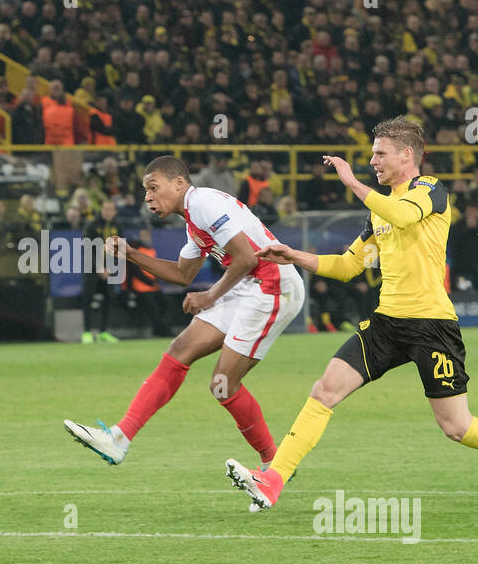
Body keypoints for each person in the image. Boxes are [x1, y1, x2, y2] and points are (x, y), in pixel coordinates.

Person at [227, 118, 478, 514]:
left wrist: (352, 184)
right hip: (387, 323)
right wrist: (294, 255)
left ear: (407, 154)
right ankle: (272, 481)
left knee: (456, 427)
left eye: (379, 153)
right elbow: (347, 265)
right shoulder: (379, 211)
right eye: (371, 155)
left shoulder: (430, 190)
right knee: (325, 390)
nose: (372, 161)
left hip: (432, 326)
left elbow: (405, 216)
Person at [63, 155, 306, 469]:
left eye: (154, 187)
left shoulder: (204, 203)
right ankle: (119, 438)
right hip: (247, 285)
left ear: (179, 183)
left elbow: (246, 258)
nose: (148, 197)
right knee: (180, 349)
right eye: (145, 191)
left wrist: (210, 294)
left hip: (272, 284)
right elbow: (182, 274)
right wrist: (131, 254)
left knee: (222, 383)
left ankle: (274, 465)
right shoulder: (193, 220)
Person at [80, 199, 121, 344]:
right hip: (91, 268)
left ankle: (103, 332)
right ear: (101, 210)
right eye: (105, 209)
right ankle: (86, 332)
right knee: (88, 298)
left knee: (109, 298)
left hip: (109, 268)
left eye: (111, 210)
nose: (108, 212)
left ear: (115, 212)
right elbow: (87, 248)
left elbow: (119, 248)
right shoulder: (91, 225)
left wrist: (110, 267)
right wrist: (98, 267)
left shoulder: (117, 226)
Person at [125, 228, 169, 338]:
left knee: (166, 304)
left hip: (152, 286)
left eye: (147, 236)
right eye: (143, 236)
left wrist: (155, 281)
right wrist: (149, 281)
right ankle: (163, 331)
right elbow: (135, 270)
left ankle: (159, 329)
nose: (146, 238)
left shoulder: (151, 250)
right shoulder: (136, 250)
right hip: (140, 286)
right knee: (153, 310)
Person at [447, 203, 478, 290]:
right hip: (462, 262)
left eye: (474, 212)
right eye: (469, 211)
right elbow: (453, 240)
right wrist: (468, 228)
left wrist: (475, 228)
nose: (471, 214)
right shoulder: (459, 224)